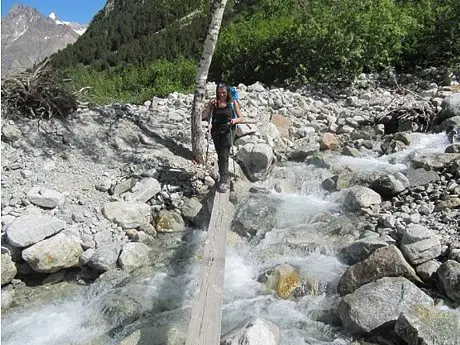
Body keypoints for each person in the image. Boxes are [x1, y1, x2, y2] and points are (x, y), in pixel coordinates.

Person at [202, 82, 243, 192]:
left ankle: (224, 181)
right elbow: (204, 116)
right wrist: (209, 106)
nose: (221, 95)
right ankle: (223, 175)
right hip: (216, 132)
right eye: (219, 93)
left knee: (224, 154)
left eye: (224, 92)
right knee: (220, 154)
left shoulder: (233, 103)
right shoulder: (214, 103)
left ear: (228, 92)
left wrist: (234, 120)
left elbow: (241, 118)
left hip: (228, 131)